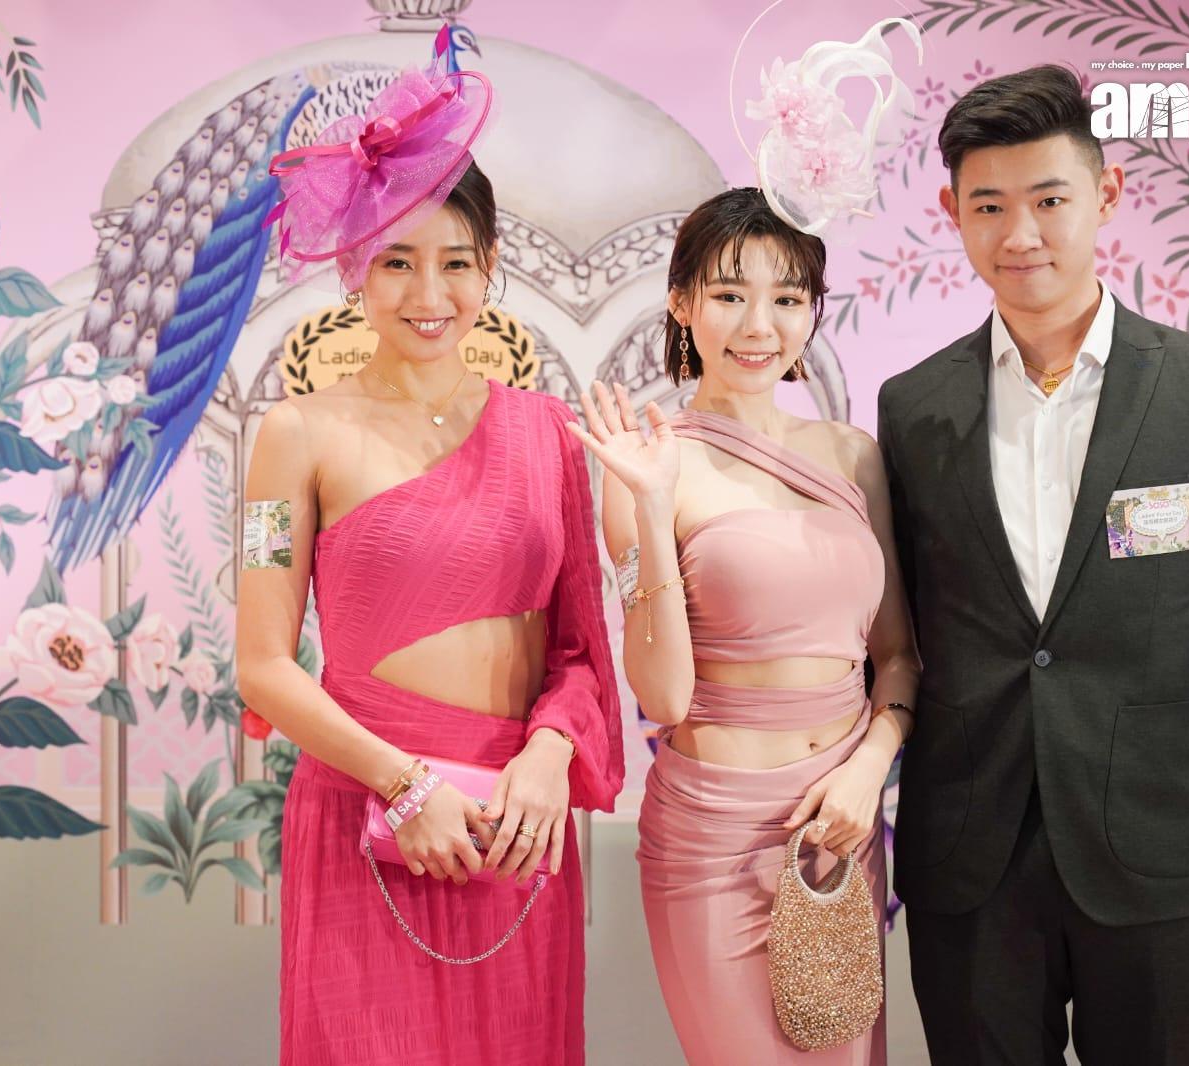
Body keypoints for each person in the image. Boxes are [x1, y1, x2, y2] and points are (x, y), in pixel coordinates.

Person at [877, 64, 1189, 1064]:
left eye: (1049, 200)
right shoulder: (912, 406)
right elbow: (898, 635)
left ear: (1106, 194)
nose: (1020, 233)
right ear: (952, 213)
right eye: (989, 205)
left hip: (1163, 858)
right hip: (970, 860)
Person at [235, 63, 623, 1066]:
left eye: (456, 262)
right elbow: (263, 666)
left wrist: (548, 756)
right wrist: (405, 787)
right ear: (354, 268)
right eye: (397, 262)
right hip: (367, 812)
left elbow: (579, 650)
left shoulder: (549, 433)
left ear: (489, 268)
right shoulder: (294, 435)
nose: (429, 293)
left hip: (512, 827)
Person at [571, 182, 919, 1063]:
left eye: (787, 299)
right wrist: (653, 511)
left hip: (839, 825)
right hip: (714, 837)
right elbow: (664, 696)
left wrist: (868, 770)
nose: (759, 325)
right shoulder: (651, 464)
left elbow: (898, 658)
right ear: (682, 303)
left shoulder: (853, 456)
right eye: (729, 294)